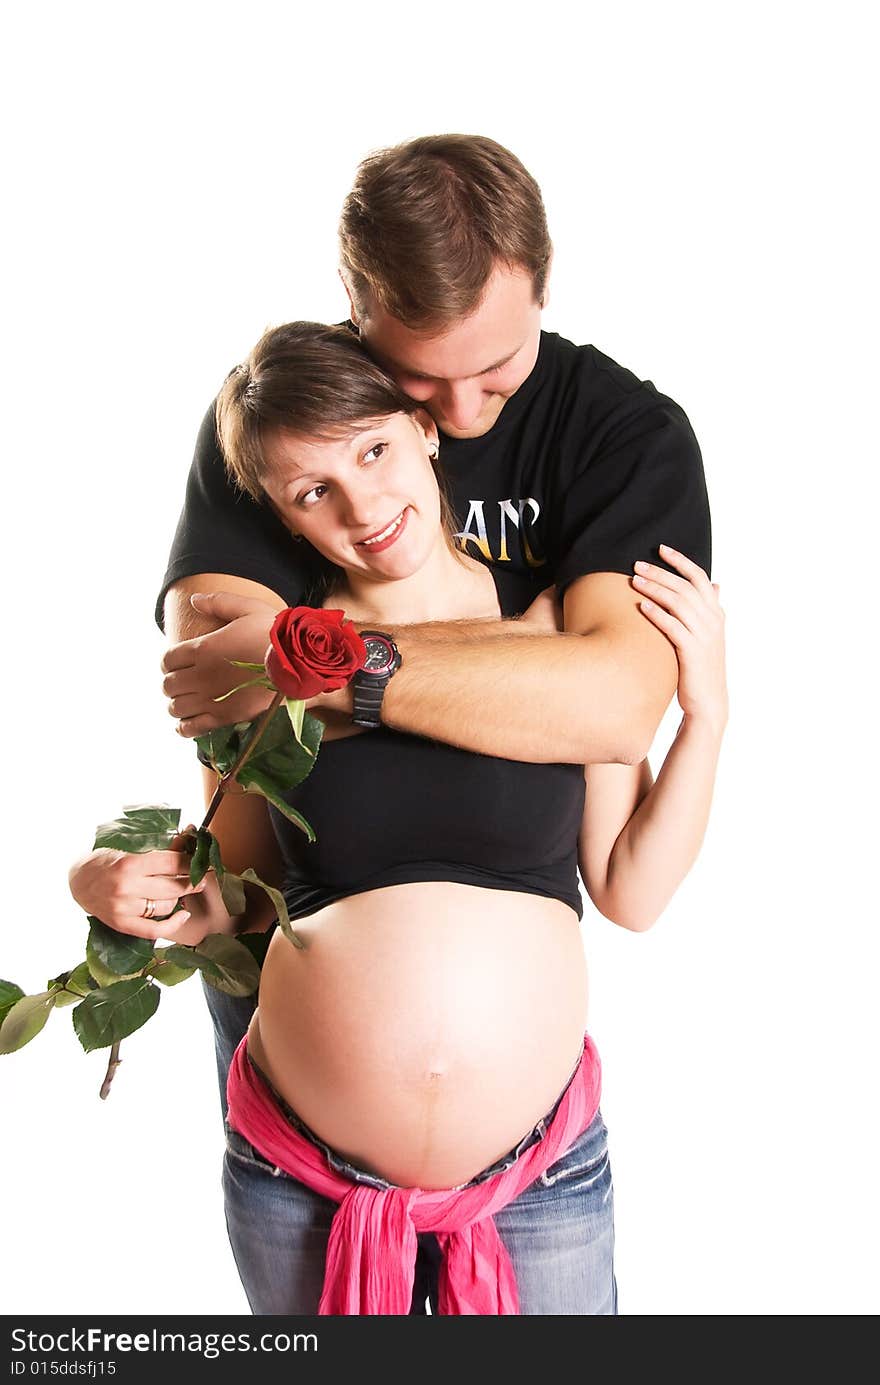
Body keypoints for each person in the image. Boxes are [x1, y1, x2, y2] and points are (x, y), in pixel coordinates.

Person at [69, 321, 726, 1315]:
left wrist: (708, 716)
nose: (363, 505)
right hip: (302, 1178)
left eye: (374, 451)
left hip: (535, 1178)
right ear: (284, 521)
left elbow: (631, 886)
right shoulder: (267, 675)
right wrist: (113, 887)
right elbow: (233, 902)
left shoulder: (549, 637)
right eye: (311, 492)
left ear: (425, 431)